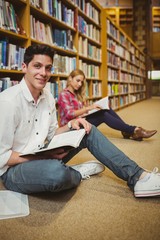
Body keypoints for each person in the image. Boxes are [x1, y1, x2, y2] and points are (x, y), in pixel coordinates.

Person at [0, 44, 159, 198]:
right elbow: (2, 156)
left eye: (48, 68)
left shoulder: (47, 96)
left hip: (43, 151)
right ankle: (75, 173)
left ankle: (138, 177)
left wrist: (70, 125)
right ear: (24, 67)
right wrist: (41, 157)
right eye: (37, 66)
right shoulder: (8, 102)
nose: (43, 73)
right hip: (14, 169)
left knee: (87, 130)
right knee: (56, 173)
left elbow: (50, 133)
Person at [58, 69, 157, 141]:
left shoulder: (76, 94)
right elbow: (70, 114)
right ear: (70, 79)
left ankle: (128, 130)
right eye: (77, 80)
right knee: (103, 115)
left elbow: (81, 112)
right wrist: (89, 108)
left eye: (81, 82)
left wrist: (93, 108)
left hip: (81, 121)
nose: (80, 84)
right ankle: (134, 130)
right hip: (71, 128)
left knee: (106, 108)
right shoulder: (64, 94)